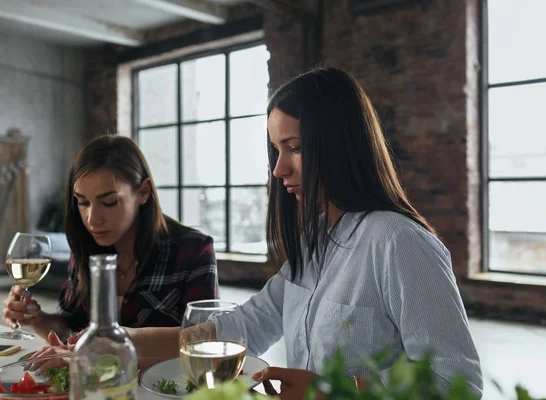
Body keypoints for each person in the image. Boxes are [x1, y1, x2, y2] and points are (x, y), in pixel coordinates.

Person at [32, 67, 483, 398]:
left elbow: (458, 383)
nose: (278, 168)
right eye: (275, 149)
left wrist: (333, 389)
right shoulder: (316, 244)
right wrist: (107, 346)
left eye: (296, 148)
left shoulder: (399, 243)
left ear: (340, 144)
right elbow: (240, 327)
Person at [3, 135, 219, 369]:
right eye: (83, 202)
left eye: (109, 202)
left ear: (144, 192)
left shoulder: (193, 250)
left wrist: (103, 349)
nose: (92, 219)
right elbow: (69, 328)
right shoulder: (86, 248)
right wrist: (37, 319)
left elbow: (205, 341)